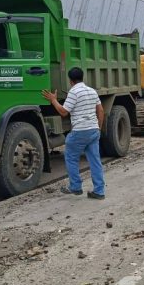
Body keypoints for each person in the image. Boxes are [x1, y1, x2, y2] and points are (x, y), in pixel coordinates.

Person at [42, 67, 106, 199]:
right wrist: (98, 128)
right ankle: (99, 191)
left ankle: (75, 187)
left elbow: (64, 112)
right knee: (95, 161)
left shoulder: (74, 92)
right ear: (82, 77)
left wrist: (53, 100)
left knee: (71, 157)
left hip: (80, 131)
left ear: (70, 80)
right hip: (93, 130)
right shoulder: (92, 91)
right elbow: (101, 111)